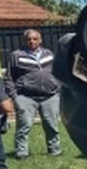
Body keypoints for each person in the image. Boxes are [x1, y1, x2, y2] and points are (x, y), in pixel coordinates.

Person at [6, 28, 63, 157]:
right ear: (24, 41)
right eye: (28, 39)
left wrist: (57, 87)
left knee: (52, 125)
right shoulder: (16, 55)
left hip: (50, 95)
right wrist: (15, 97)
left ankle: (55, 151)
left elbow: (57, 71)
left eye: (34, 39)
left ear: (40, 40)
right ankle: (22, 153)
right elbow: (8, 77)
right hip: (26, 97)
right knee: (24, 126)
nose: (31, 41)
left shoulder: (48, 54)